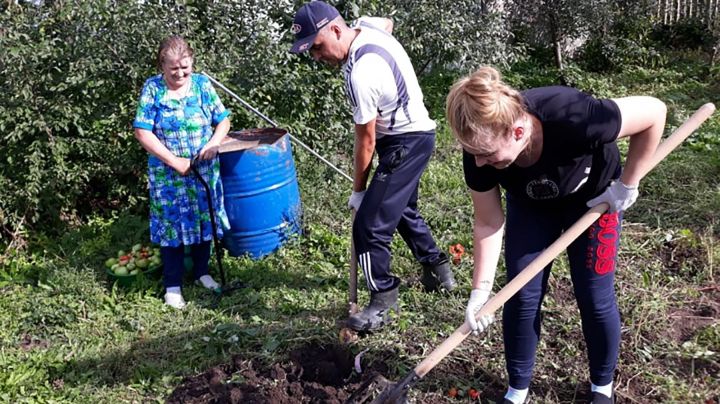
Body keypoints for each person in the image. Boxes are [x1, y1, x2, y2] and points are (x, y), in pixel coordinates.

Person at [446, 66, 666, 404]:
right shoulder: (478, 151)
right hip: (532, 206)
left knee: (594, 296)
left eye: (488, 155)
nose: (479, 162)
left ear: (518, 132)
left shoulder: (574, 116)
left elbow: (655, 112)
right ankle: (517, 390)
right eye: (475, 153)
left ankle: (601, 388)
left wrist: (627, 184)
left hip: (595, 203)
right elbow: (489, 222)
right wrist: (481, 291)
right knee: (520, 294)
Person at [289, 1, 457, 331]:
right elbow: (388, 22)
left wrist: (358, 191)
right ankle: (439, 271)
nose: (317, 57)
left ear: (336, 29)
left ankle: (383, 301)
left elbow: (366, 140)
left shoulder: (362, 73)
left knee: (369, 224)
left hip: (404, 142)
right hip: (417, 135)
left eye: (318, 47)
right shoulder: (366, 26)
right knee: (400, 209)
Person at [133, 35, 231, 309]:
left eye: (185, 67)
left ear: (192, 62)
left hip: (204, 169)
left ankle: (202, 272)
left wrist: (213, 144)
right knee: (171, 227)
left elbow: (223, 121)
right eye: (173, 68)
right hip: (169, 175)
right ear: (162, 65)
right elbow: (143, 132)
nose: (180, 73)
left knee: (204, 220)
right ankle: (172, 286)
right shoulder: (153, 88)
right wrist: (175, 161)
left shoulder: (202, 85)